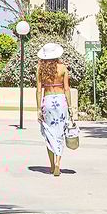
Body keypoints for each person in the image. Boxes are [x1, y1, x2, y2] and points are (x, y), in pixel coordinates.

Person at [35, 42, 75, 176]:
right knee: (59, 133)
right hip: (60, 101)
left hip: (47, 101)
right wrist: (70, 107)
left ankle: (52, 165)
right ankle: (58, 162)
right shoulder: (63, 68)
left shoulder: (40, 69)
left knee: (49, 133)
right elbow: (67, 89)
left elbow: (39, 90)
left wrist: (38, 108)